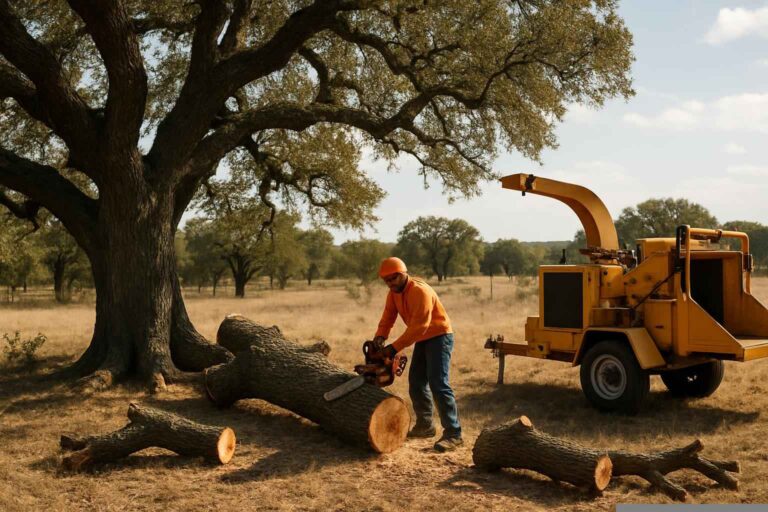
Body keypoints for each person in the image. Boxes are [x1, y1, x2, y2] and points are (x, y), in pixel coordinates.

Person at [373, 257, 463, 452]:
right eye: (387, 280)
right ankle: (425, 425)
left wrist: (393, 348)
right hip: (423, 338)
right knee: (416, 381)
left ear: (403, 273)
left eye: (394, 278)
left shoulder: (419, 291)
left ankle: (454, 434)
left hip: (439, 336)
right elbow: (388, 317)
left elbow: (420, 327)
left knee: (438, 383)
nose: (390, 283)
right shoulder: (394, 293)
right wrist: (379, 338)